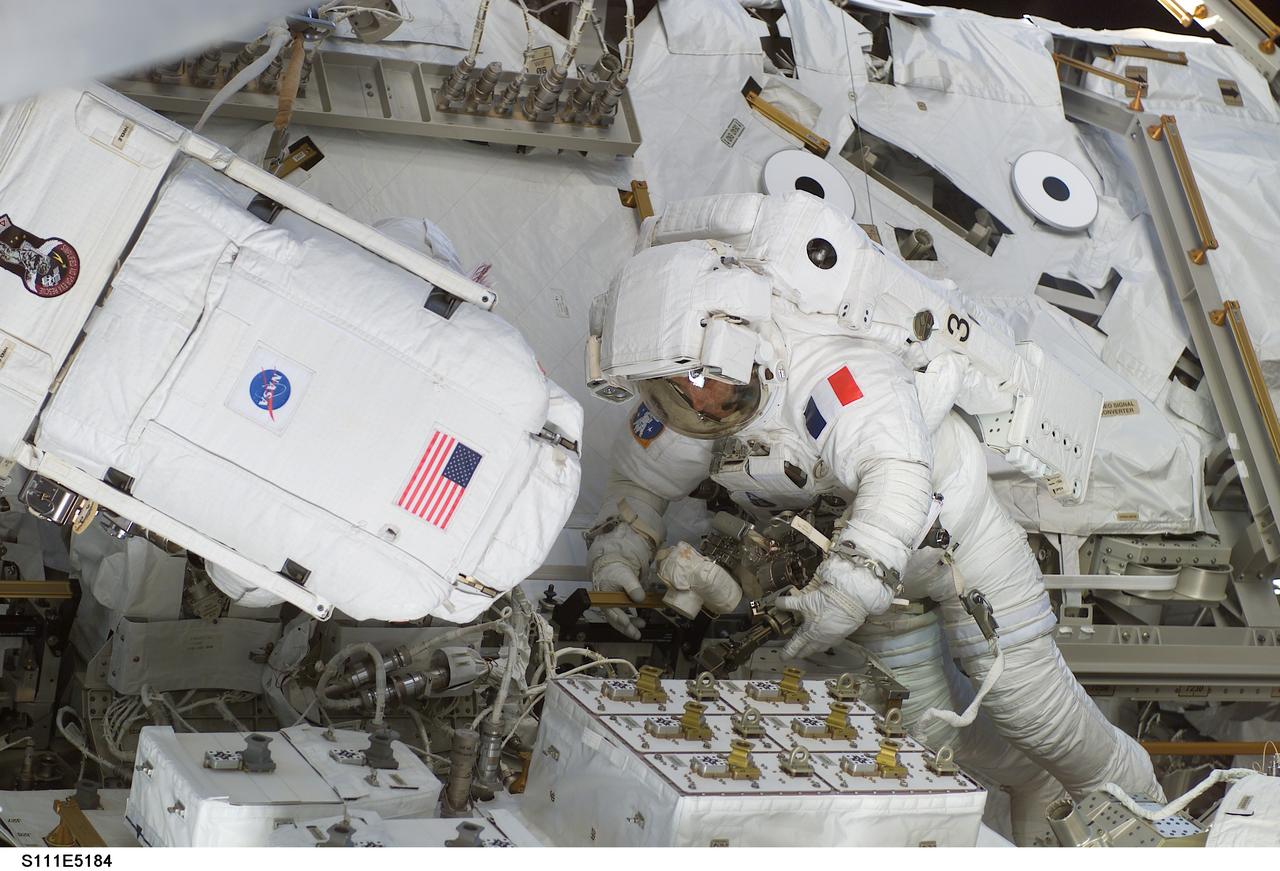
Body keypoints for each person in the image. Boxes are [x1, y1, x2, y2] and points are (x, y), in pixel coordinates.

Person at [582, 192, 1162, 842]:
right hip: (873, 568)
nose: (694, 402)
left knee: (1032, 709)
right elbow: (638, 483)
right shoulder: (690, 394)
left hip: (955, 537)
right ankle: (1034, 783)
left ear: (739, 343)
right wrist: (617, 555)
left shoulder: (833, 373)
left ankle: (1150, 816)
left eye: (700, 384)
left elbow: (897, 472)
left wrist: (846, 590)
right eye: (672, 389)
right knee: (928, 731)